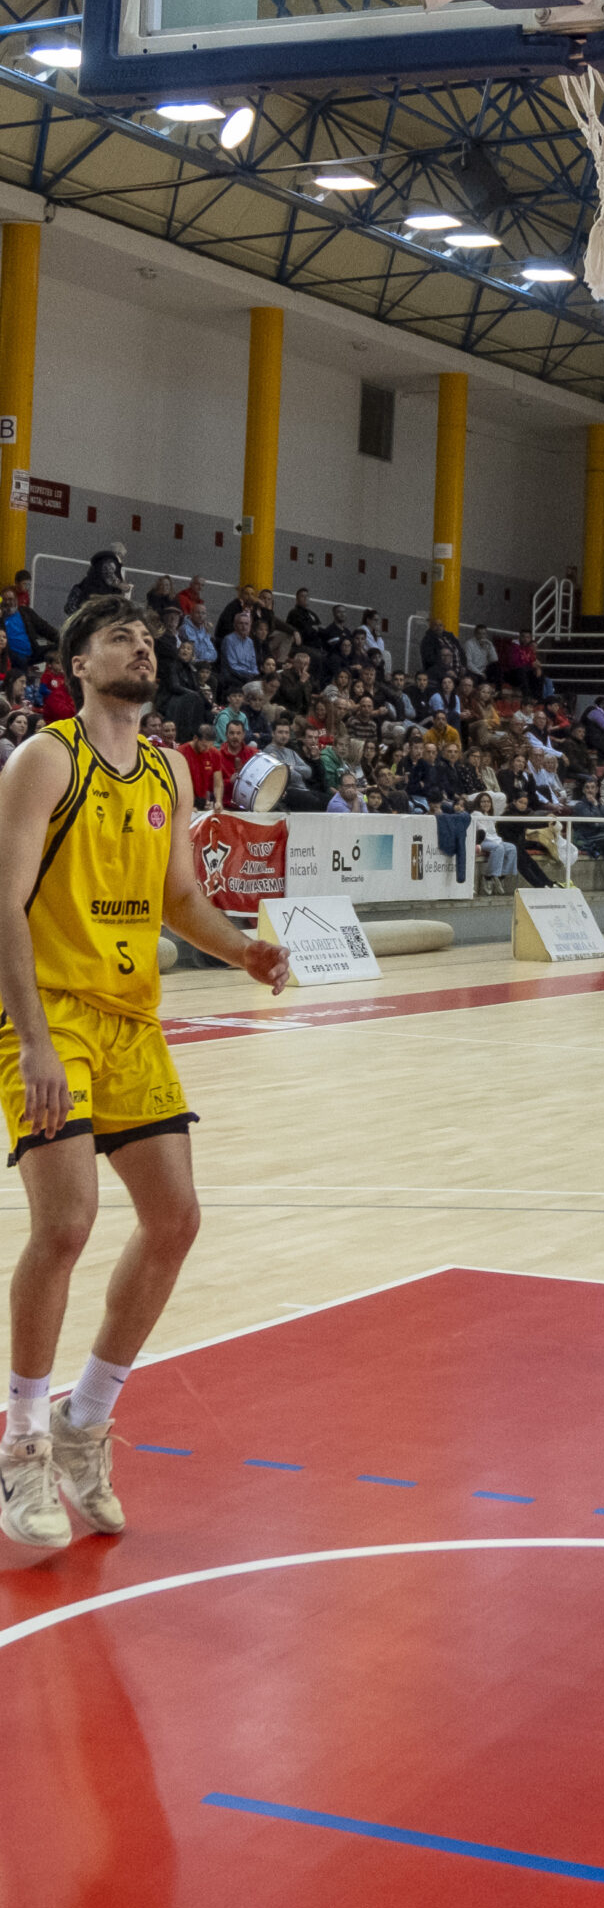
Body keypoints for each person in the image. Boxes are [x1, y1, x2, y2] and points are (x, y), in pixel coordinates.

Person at [0, 596, 289, 1548]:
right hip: (48, 1020)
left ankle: (87, 1422)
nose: (141, 647)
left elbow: (182, 902)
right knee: (68, 1223)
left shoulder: (166, 766)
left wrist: (241, 949)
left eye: (149, 639)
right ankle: (23, 1444)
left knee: (175, 1221)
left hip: (131, 1023)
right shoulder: (45, 759)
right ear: (79, 664)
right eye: (119, 636)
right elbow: (4, 907)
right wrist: (34, 1039)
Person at [470, 792, 517, 891]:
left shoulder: (489, 814)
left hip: (494, 840)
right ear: (478, 803)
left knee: (512, 848)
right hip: (482, 841)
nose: (486, 804)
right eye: (483, 801)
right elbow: (482, 831)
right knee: (498, 848)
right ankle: (488, 877)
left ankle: (500, 877)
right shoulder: (476, 813)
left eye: (488, 802)